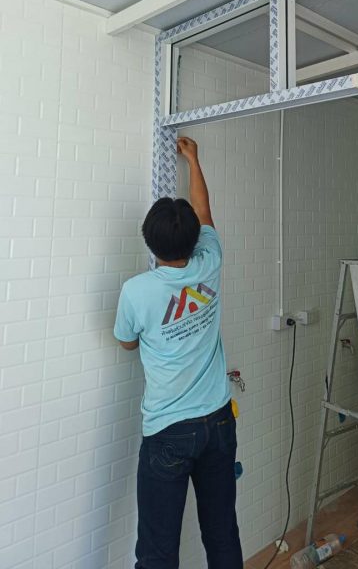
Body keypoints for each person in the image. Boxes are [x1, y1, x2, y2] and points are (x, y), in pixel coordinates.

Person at [113, 136, 243, 569]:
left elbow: (126, 341)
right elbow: (204, 212)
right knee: (222, 535)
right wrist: (193, 160)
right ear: (194, 240)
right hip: (219, 423)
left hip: (169, 432)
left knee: (157, 552)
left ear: (149, 243)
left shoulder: (137, 291)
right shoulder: (210, 262)